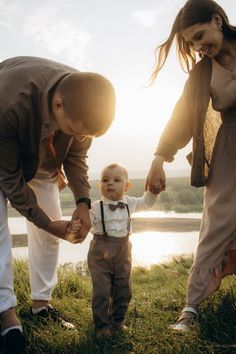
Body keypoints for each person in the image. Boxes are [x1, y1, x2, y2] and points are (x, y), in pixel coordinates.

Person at [0, 56, 115, 353]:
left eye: (85, 135)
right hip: (4, 150)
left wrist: (83, 203)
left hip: (40, 157)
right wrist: (47, 223)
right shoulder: (10, 102)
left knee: (52, 217)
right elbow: (10, 179)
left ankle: (41, 304)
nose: (79, 138)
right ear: (58, 105)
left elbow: (76, 158)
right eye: (76, 131)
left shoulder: (82, 101)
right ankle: (6, 317)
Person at [147, 0, 236, 331]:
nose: (199, 47)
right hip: (230, 146)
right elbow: (183, 116)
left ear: (217, 20)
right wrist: (160, 157)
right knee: (218, 218)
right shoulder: (203, 73)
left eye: (200, 36)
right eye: (193, 43)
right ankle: (191, 308)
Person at [79, 163, 158, 338]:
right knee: (102, 290)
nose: (110, 184)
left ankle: (118, 321)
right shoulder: (95, 207)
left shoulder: (130, 203)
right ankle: (102, 326)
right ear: (99, 184)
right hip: (100, 251)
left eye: (116, 180)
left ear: (127, 186)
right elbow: (84, 222)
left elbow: (147, 202)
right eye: (105, 180)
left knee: (124, 289)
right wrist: (77, 224)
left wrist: (154, 191)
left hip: (123, 250)